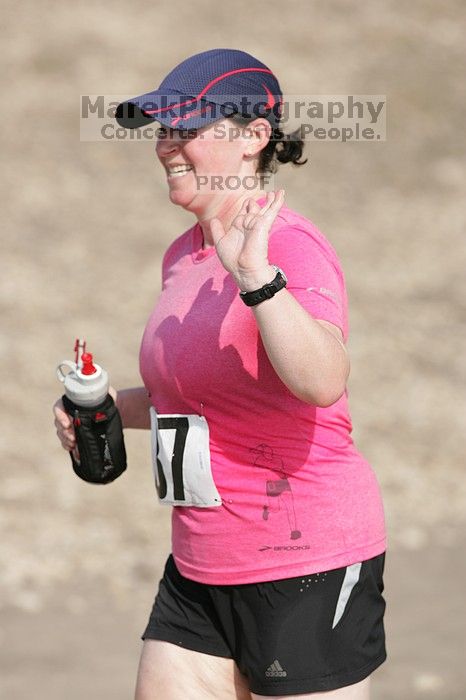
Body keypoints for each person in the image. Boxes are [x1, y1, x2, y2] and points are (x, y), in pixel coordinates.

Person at [54, 49, 387, 699]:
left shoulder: (290, 245)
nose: (168, 146)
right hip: (201, 563)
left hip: (304, 562)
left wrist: (259, 281)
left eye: (188, 127)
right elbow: (191, 398)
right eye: (163, 129)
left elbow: (323, 381)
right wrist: (97, 407)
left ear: (253, 138)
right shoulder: (182, 256)